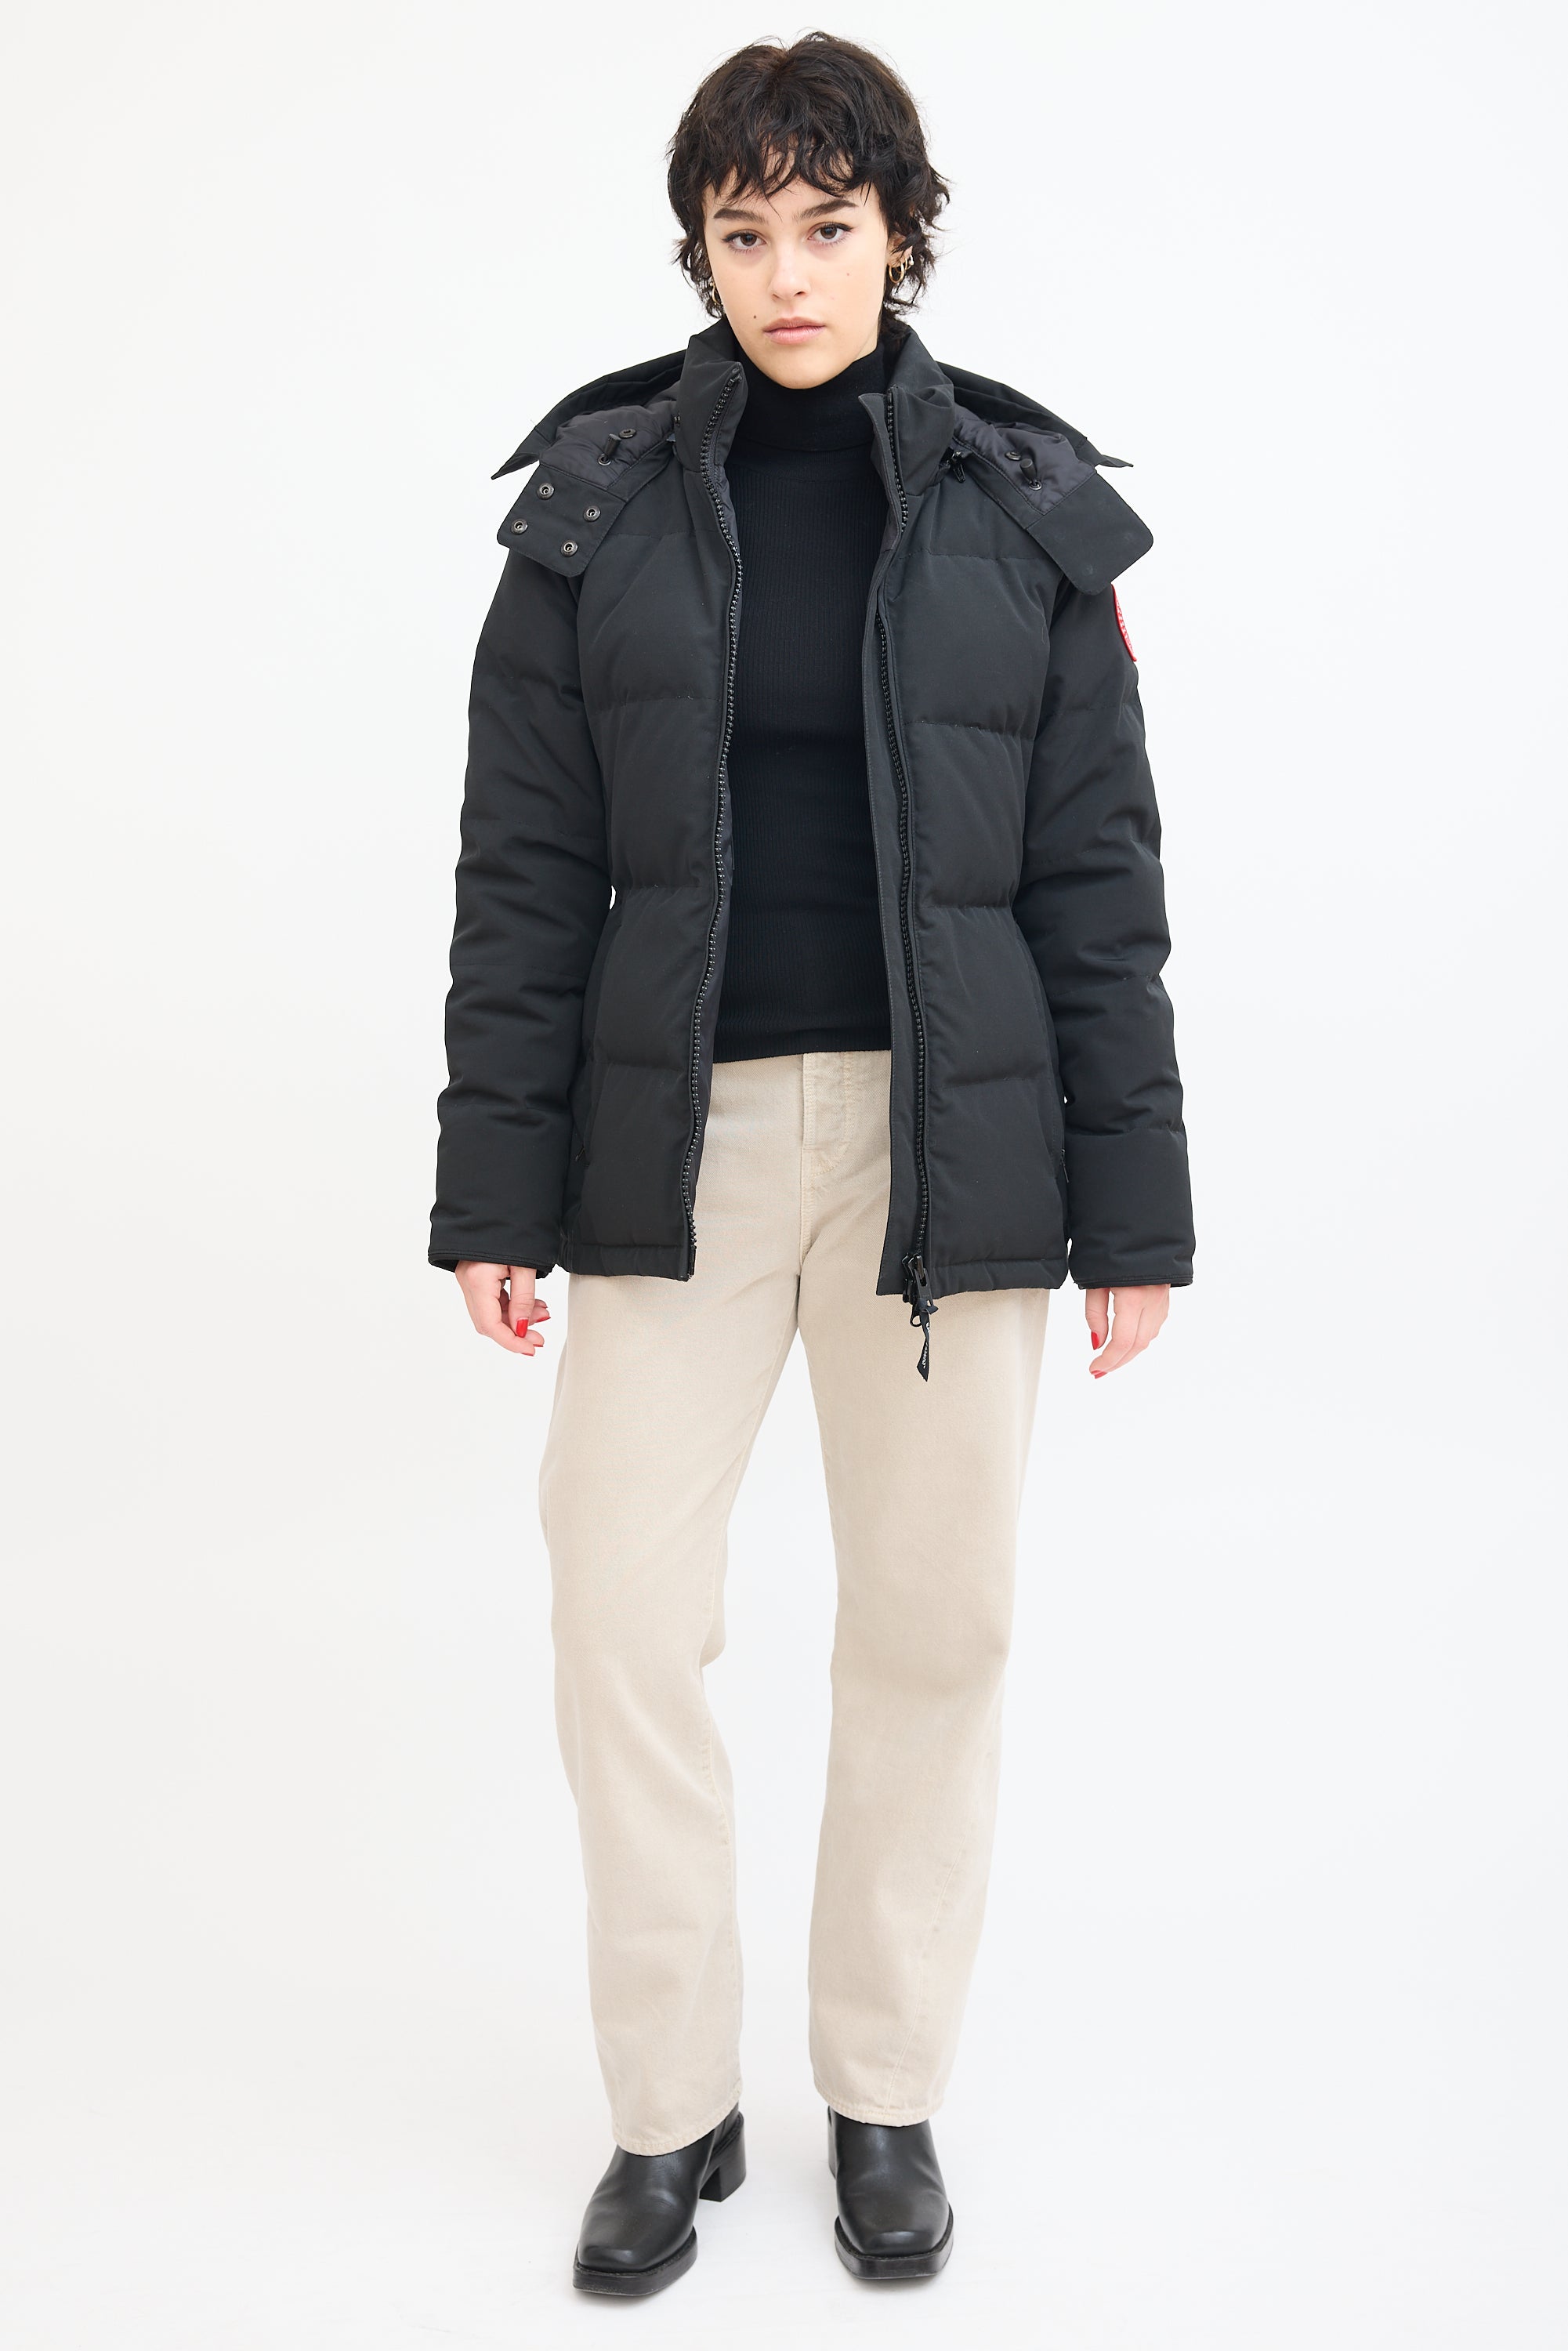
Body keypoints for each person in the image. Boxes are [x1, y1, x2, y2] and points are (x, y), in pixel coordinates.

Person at [429, 31, 1193, 2297]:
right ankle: (670, 2113)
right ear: (699, 244)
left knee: (933, 1628)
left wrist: (1133, 1210)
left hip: (947, 1155)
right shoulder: (591, 510)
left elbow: (1097, 881)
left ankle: (882, 2092)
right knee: (617, 1613)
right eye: (743, 229)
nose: (785, 271)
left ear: (897, 235)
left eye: (827, 226)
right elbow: (520, 875)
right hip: (669, 1146)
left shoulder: (1020, 508)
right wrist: (495, 1188)